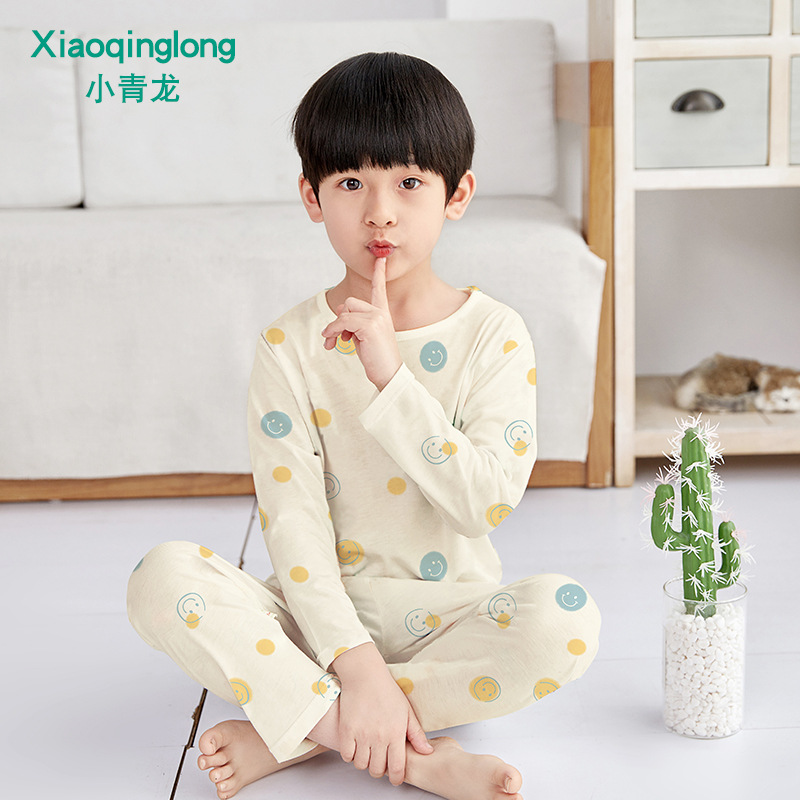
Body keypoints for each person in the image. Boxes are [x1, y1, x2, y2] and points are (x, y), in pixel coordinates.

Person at [127, 51, 600, 800]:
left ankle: (298, 729)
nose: (380, 212)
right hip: (314, 624)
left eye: (409, 182)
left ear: (457, 194)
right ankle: (405, 752)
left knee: (565, 622)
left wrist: (392, 380)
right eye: (351, 183)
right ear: (312, 197)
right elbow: (293, 524)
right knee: (161, 578)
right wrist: (354, 661)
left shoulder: (495, 334)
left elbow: (484, 502)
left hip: (449, 619)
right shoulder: (288, 345)